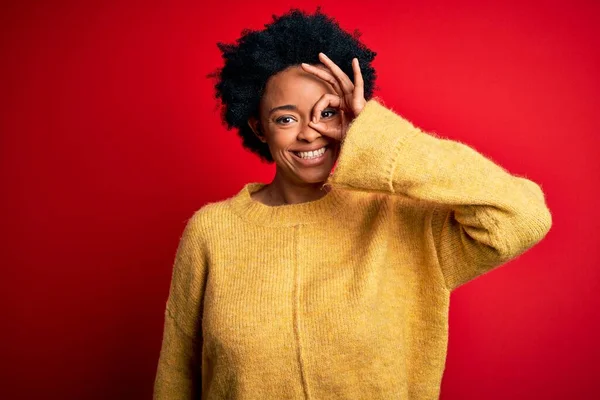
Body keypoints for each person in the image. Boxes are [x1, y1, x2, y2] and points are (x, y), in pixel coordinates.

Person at [153, 7, 552, 400]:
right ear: (259, 127)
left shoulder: (397, 217)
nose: (311, 133)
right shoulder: (212, 231)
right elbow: (177, 376)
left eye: (328, 113)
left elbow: (522, 216)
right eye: (287, 119)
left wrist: (375, 131)